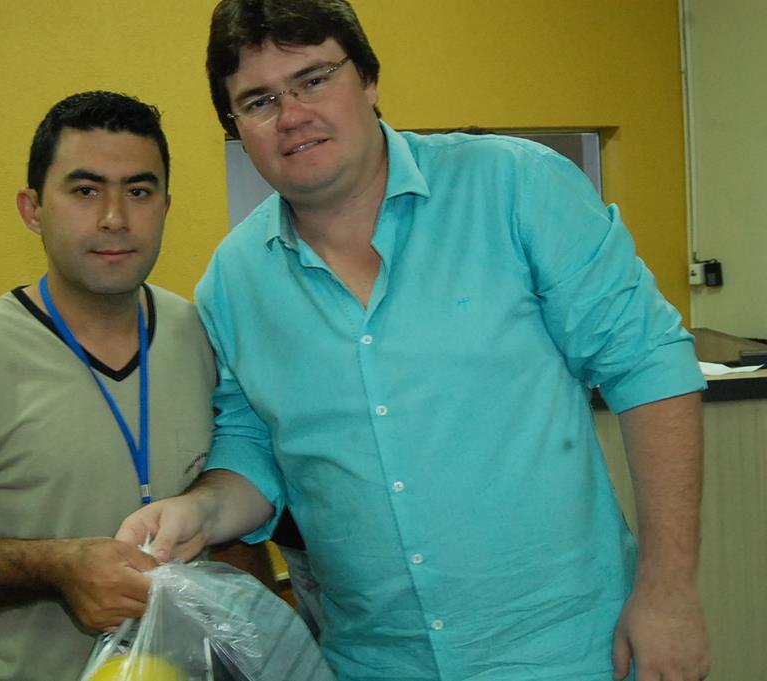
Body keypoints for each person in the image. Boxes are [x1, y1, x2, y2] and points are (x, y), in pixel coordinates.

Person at [116, 2, 711, 681]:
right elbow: (252, 449)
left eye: (314, 79)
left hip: (569, 650)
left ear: (368, 79)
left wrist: (668, 589)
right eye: (258, 100)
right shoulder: (233, 281)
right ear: (237, 129)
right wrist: (196, 511)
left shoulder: (514, 186)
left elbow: (649, 363)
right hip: (372, 661)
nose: (292, 115)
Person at [0, 90, 270, 681]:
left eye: (139, 191)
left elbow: (232, 519)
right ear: (32, 210)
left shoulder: (201, 336)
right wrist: (56, 568)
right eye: (85, 191)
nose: (115, 218)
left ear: (165, 207)